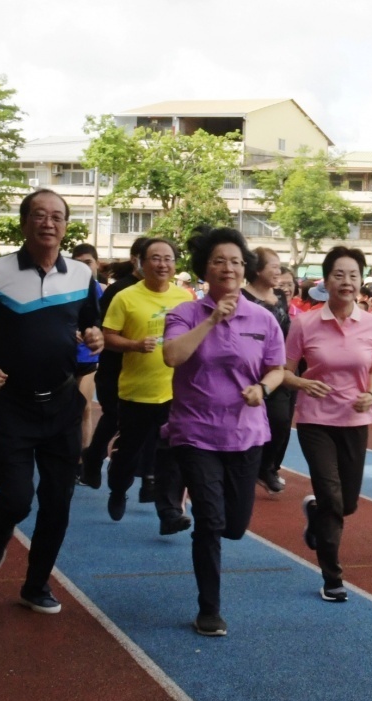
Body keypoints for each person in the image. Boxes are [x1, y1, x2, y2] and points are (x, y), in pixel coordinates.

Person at [0, 189, 103, 614]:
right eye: (39, 215)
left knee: (58, 504)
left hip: (61, 405)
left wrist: (96, 337)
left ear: (65, 225)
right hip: (12, 406)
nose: (48, 223)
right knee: (18, 498)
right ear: (24, 223)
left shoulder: (80, 275)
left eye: (57, 216)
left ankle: (36, 584)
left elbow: (93, 328)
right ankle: (1, 528)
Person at [163, 227, 285, 636]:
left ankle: (218, 530)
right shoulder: (185, 313)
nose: (228, 267)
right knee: (210, 522)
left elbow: (277, 367)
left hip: (246, 434)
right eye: (219, 260)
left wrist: (263, 388)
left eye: (236, 260)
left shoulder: (263, 318)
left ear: (245, 267)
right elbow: (172, 356)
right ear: (205, 269)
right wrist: (214, 318)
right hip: (195, 432)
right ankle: (209, 609)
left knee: (234, 525)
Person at [285, 246, 372, 601]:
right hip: (316, 420)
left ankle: (315, 512)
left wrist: (371, 395)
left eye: (354, 275)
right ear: (326, 281)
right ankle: (332, 577)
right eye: (339, 275)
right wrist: (302, 382)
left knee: (347, 503)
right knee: (331, 495)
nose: (347, 281)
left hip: (356, 419)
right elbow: (281, 370)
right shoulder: (305, 323)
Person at [101, 238, 192, 533]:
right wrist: (134, 344)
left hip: (175, 391)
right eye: (155, 258)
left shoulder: (186, 298)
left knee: (172, 454)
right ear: (141, 262)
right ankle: (117, 488)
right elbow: (108, 337)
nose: (162, 264)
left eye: (168, 258)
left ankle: (168, 512)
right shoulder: (126, 297)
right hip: (136, 391)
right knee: (129, 452)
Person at [78, 241, 147, 489]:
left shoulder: (165, 292)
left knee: (146, 423)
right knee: (117, 416)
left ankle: (140, 474)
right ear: (136, 258)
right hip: (115, 367)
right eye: (151, 257)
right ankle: (97, 457)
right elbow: (102, 327)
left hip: (148, 370)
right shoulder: (118, 290)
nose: (159, 264)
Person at [242, 246, 294, 494]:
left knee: (281, 421)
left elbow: (287, 330)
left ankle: (267, 466)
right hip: (249, 369)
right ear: (257, 269)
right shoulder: (242, 297)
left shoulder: (280, 296)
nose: (279, 270)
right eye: (273, 265)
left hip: (277, 367)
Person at [71, 244, 103, 466]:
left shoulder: (102, 291)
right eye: (78, 263)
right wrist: (69, 331)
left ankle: (83, 460)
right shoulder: (65, 291)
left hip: (89, 358)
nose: (84, 267)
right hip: (64, 358)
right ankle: (65, 455)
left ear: (97, 264)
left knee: (84, 407)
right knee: (65, 410)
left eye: (88, 262)